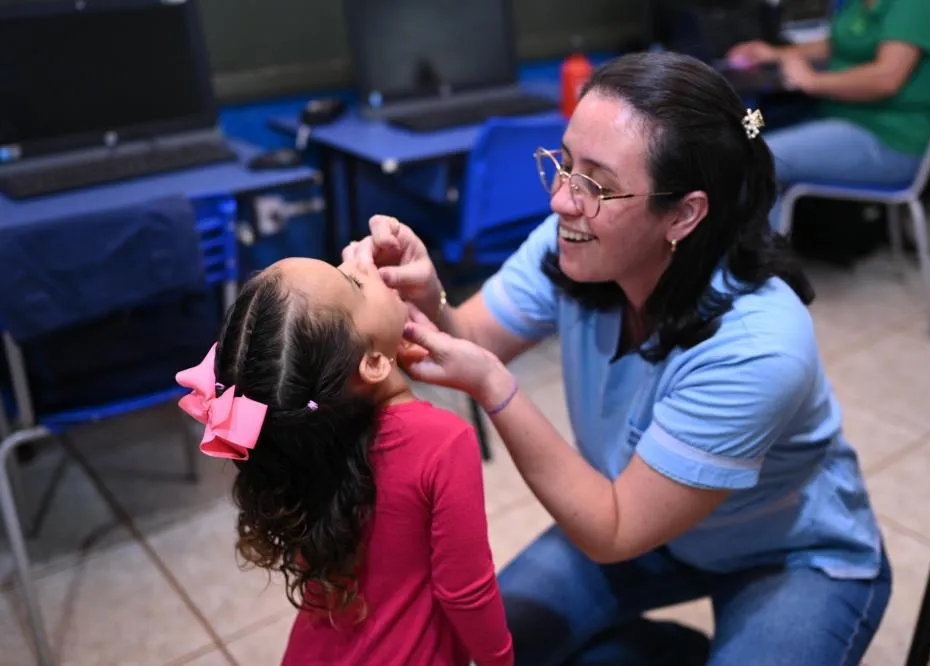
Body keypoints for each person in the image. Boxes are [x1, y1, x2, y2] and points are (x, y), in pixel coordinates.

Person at [343, 51, 891, 666]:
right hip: (644, 515)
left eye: (597, 185)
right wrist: (427, 295)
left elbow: (614, 530)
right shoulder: (575, 242)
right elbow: (468, 337)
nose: (561, 202)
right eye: (565, 164)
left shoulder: (758, 347)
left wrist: (495, 388)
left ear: (684, 213)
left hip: (788, 553)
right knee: (490, 643)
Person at [174, 258, 514, 666]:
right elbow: (466, 592)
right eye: (353, 281)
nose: (358, 261)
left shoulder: (295, 434)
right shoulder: (443, 444)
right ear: (371, 363)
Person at [727, 0, 930, 231]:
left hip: (886, 137)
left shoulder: (921, 5)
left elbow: (886, 79)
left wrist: (812, 81)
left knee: (756, 160)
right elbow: (840, 43)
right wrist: (776, 54)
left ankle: (757, 265)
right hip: (830, 116)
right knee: (745, 129)